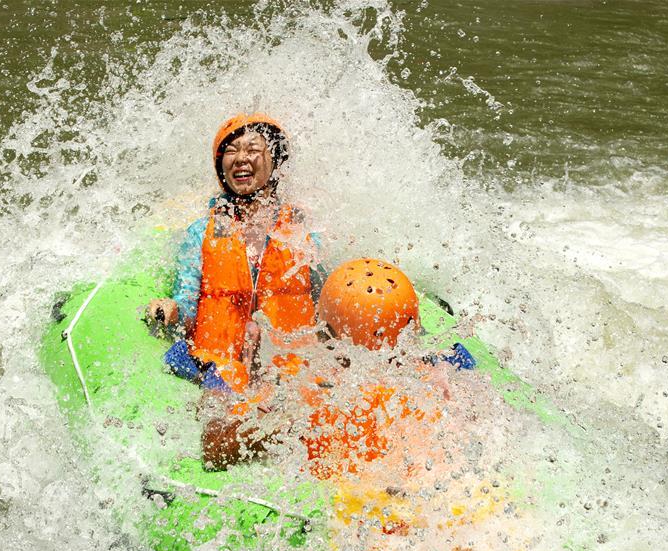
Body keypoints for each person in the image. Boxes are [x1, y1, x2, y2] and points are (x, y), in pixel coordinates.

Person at [201, 258, 473, 472]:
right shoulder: (434, 380)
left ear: (322, 331)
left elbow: (214, 448)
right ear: (413, 326)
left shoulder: (308, 396)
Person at [147, 114, 325, 393]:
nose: (241, 158)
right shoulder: (200, 232)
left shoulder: (301, 233)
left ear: (275, 162)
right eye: (231, 151)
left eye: (253, 150)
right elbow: (187, 303)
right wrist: (172, 310)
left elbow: (324, 304)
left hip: (291, 366)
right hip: (219, 364)